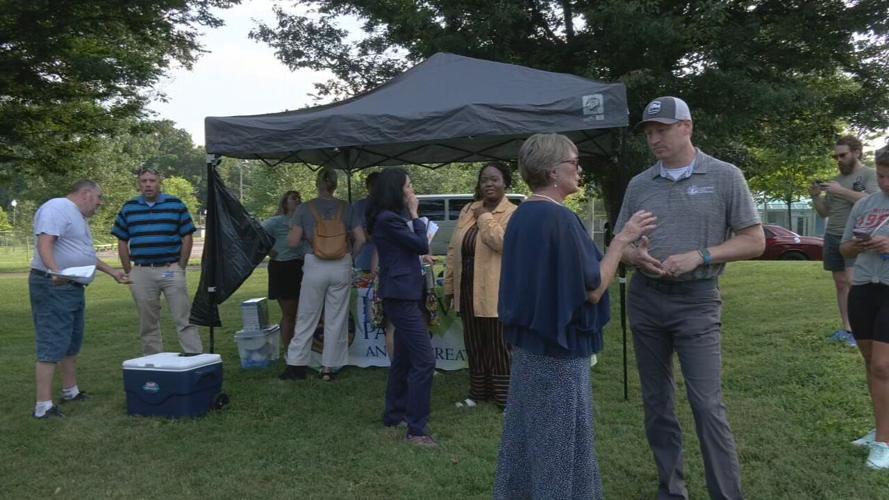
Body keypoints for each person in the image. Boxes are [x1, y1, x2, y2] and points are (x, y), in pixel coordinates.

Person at [617, 96, 765, 500]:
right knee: (657, 404)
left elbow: (755, 241)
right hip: (646, 299)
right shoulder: (640, 184)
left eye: (661, 130)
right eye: (649, 132)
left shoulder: (725, 176)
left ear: (687, 127)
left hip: (697, 302)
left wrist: (700, 255)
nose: (654, 139)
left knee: (706, 405)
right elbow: (621, 245)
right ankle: (671, 491)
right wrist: (637, 256)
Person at [494, 133, 657, 498]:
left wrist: (626, 256)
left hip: (529, 350)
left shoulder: (522, 214)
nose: (579, 168)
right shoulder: (560, 220)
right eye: (573, 161)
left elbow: (561, 274)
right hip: (558, 354)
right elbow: (593, 287)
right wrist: (621, 240)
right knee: (560, 445)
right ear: (554, 171)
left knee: (526, 442)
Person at [30, 180, 128, 418]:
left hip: (72, 287)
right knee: (53, 341)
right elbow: (46, 242)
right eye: (98, 198)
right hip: (54, 285)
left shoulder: (77, 216)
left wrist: (113, 272)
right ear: (86, 194)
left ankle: (70, 391)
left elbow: (84, 255)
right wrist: (56, 272)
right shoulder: (56, 208)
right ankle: (43, 406)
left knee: (72, 341)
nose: (100, 203)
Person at [367, 168, 437, 447]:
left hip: (404, 293)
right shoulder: (388, 219)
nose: (412, 191)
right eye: (408, 186)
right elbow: (420, 244)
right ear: (396, 190)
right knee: (425, 361)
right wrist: (416, 213)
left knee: (404, 359)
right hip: (401, 296)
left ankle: (394, 415)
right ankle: (416, 430)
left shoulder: (390, 219)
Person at [279, 167, 365, 381]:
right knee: (337, 317)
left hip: (314, 263)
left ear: (317, 183)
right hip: (341, 264)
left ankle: (296, 365)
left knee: (307, 315)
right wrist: (350, 256)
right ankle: (329, 368)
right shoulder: (347, 208)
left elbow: (292, 242)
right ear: (335, 184)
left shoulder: (304, 209)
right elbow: (361, 239)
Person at [444, 161, 517, 408]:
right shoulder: (468, 209)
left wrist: (485, 217)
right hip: (467, 288)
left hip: (495, 291)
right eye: (484, 179)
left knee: (498, 345)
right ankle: (478, 393)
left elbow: (503, 243)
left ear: (505, 182)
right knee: (474, 342)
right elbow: (454, 249)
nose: (488, 184)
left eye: (494, 179)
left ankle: (505, 399)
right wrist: (449, 286)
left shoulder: (512, 212)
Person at [112, 167, 202, 355]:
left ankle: (194, 356)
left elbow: (187, 237)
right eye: (144, 181)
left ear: (160, 183)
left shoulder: (175, 204)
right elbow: (122, 240)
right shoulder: (129, 207)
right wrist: (129, 271)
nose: (148, 184)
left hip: (170, 268)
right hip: (142, 271)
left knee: (183, 317)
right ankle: (154, 361)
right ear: (139, 184)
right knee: (148, 322)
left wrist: (181, 265)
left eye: (152, 180)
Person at [840, 145, 889, 469]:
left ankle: (885, 442)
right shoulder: (867, 204)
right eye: (882, 176)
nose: (885, 183)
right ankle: (881, 429)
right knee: (872, 363)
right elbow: (844, 249)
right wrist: (860, 243)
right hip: (863, 290)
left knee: (884, 365)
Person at [810, 136, 879, 347]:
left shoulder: (870, 174)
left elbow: (874, 201)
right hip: (832, 235)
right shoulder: (835, 179)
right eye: (835, 156)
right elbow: (825, 213)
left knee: (852, 282)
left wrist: (841, 191)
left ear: (857, 152)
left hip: (855, 237)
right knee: (840, 284)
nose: (838, 159)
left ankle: (862, 331)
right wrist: (815, 197)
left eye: (843, 155)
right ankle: (847, 330)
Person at [262, 190, 307, 349]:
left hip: (301, 267)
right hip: (282, 267)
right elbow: (256, 234)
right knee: (289, 313)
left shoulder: (303, 221)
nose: (298, 200)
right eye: (294, 198)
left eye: (299, 198)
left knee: (301, 313)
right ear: (285, 202)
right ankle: (289, 349)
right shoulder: (276, 221)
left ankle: (300, 346)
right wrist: (269, 250)